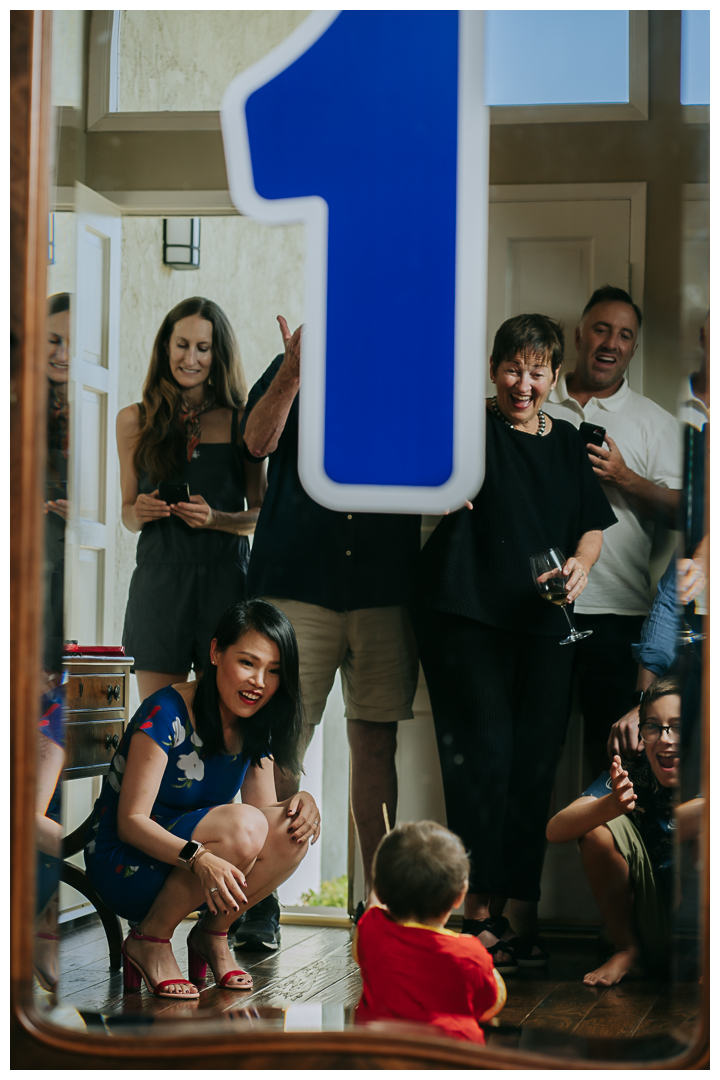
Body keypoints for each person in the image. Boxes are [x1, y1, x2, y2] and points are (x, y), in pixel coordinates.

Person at [411, 313, 617, 974]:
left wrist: (582, 567)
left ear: (555, 376)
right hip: (462, 613)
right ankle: (478, 916)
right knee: (483, 761)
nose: (521, 383)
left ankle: (519, 914)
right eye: (511, 368)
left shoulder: (568, 440)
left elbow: (592, 526)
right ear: (494, 366)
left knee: (533, 764)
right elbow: (417, 479)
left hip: (546, 622)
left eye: (536, 371)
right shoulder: (464, 427)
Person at [238, 315, 421, 945]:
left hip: (385, 587)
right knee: (282, 744)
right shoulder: (296, 356)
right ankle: (258, 898)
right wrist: (292, 370)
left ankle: (380, 906)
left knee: (376, 744)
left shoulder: (413, 369)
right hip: (297, 584)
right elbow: (257, 443)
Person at [84, 600, 320, 999]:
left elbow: (263, 822)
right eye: (248, 662)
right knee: (245, 827)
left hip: (190, 871)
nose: (259, 681)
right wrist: (199, 857)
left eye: (274, 671)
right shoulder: (165, 711)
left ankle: (213, 934)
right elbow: (131, 822)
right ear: (214, 653)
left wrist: (303, 802)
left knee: (290, 828)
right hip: (125, 863)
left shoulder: (254, 725)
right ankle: (150, 939)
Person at [543, 286, 683, 778]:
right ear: (579, 334)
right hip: (539, 610)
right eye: (602, 328)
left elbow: (690, 515)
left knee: (616, 766)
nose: (612, 342)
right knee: (533, 755)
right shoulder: (534, 400)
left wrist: (624, 476)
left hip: (620, 615)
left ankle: (609, 858)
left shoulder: (654, 423)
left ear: (634, 348)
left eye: (625, 335)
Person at [118, 297, 266, 702]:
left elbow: (261, 513)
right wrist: (140, 511)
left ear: (217, 354)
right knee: (156, 720)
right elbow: (127, 514)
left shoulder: (242, 420)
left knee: (221, 721)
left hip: (226, 581)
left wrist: (215, 518)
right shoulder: (134, 420)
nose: (191, 358)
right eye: (182, 344)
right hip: (159, 580)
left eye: (203, 348)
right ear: (166, 346)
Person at [547, 677, 701, 987]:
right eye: (653, 727)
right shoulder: (634, 772)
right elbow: (555, 830)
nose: (666, 739)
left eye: (679, 726)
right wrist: (611, 805)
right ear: (642, 734)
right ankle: (626, 951)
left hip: (700, 929)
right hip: (647, 924)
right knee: (595, 829)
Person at [354, 821, 506, 1044]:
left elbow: (370, 917)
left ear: (379, 890)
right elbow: (492, 1004)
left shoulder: (372, 930)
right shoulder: (472, 954)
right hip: (448, 1062)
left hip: (380, 1057)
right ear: (460, 894)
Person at [43, 293, 71, 674]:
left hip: (74, 568)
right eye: (53, 340)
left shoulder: (100, 415)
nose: (62, 354)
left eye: (72, 343)